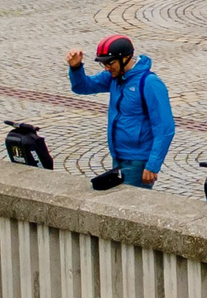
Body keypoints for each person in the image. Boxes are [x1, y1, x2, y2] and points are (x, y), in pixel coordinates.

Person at [65, 36, 174, 189]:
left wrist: (153, 165)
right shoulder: (114, 77)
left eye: (110, 63)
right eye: (104, 64)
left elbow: (165, 128)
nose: (107, 68)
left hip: (138, 161)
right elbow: (83, 87)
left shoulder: (149, 83)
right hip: (118, 156)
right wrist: (76, 68)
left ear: (126, 58)